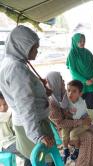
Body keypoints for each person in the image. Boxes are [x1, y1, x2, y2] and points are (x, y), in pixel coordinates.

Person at [0, 25, 54, 159]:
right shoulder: (16, 69)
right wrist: (38, 136)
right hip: (33, 125)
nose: (37, 51)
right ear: (22, 46)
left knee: (32, 160)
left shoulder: (12, 61)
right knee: (44, 161)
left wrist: (41, 91)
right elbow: (25, 105)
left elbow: (24, 95)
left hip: (27, 124)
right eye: (34, 48)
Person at [46, 71, 93, 166]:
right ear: (55, 82)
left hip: (75, 122)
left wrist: (86, 118)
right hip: (64, 130)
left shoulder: (63, 93)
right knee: (87, 137)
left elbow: (78, 108)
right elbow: (60, 123)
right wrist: (81, 122)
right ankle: (82, 163)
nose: (63, 81)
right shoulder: (51, 102)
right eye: (61, 79)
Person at [60, 80, 91, 163]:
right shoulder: (67, 99)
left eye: (74, 91)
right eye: (68, 90)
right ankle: (66, 150)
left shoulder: (81, 103)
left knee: (72, 134)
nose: (70, 93)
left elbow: (76, 118)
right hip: (74, 121)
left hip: (84, 122)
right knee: (64, 133)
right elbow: (62, 106)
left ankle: (77, 149)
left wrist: (67, 113)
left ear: (80, 94)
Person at [66, 33, 93, 116]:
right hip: (79, 85)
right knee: (78, 107)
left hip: (90, 84)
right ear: (75, 42)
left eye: (83, 41)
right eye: (80, 41)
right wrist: (85, 81)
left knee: (91, 106)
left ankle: (91, 122)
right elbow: (73, 71)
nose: (82, 43)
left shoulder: (88, 52)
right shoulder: (72, 54)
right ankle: (81, 125)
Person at [0, 92, 31, 165]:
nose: (3, 107)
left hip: (13, 140)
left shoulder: (9, 115)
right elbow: (7, 116)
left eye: (5, 104)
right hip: (5, 144)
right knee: (27, 151)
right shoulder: (6, 115)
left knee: (29, 149)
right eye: (0, 105)